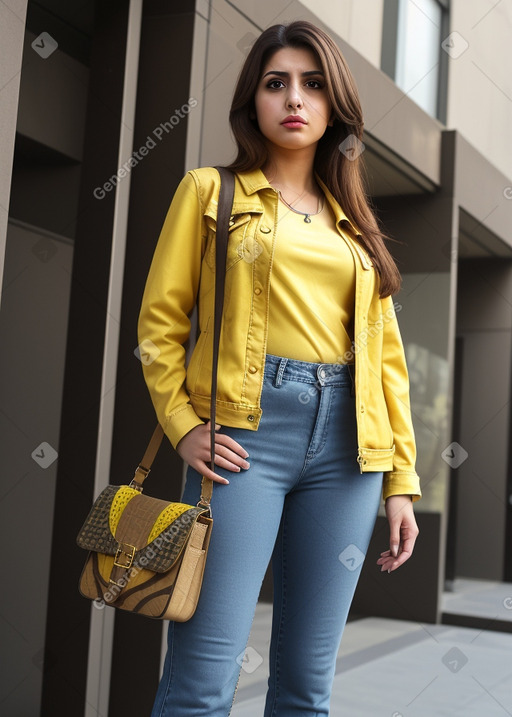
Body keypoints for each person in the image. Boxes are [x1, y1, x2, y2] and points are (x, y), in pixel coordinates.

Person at [138, 19, 421, 717]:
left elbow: (386, 363)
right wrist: (181, 426)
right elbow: (158, 327)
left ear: (334, 107)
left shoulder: (357, 232)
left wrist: (402, 481)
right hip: (241, 442)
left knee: (305, 685)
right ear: (254, 103)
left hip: (350, 453)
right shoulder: (210, 193)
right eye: (276, 83)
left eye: (313, 84)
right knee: (202, 681)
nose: (294, 98)